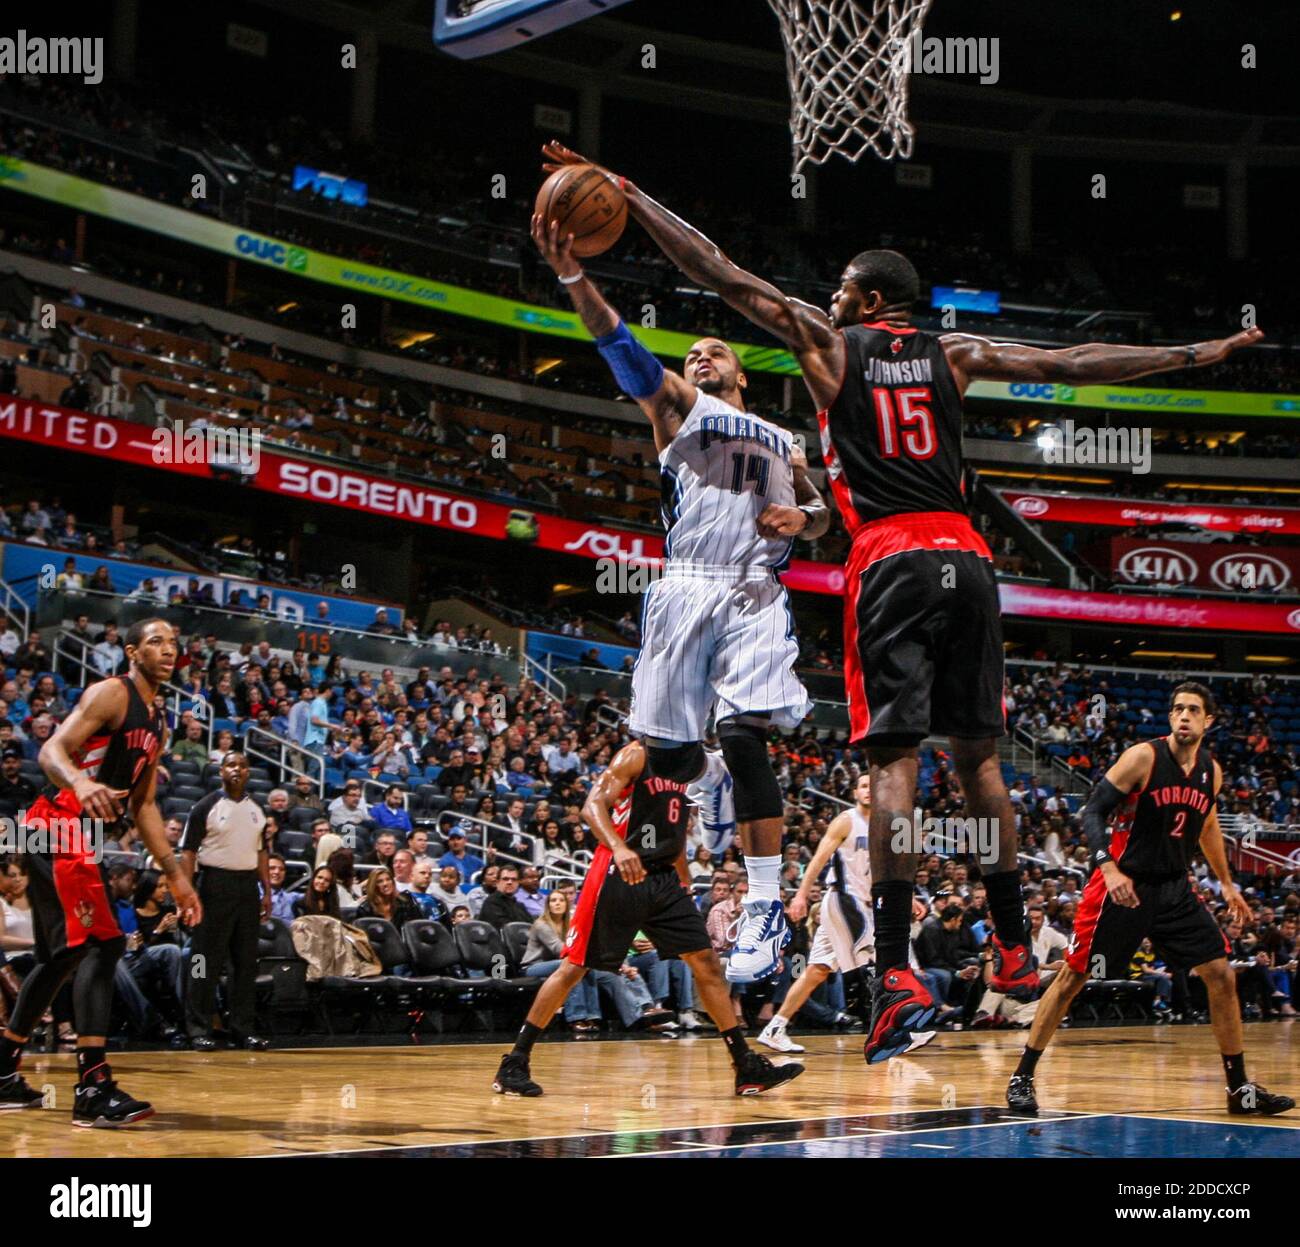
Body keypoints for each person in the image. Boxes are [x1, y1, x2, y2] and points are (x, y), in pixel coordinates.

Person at [546, 139, 1266, 1063]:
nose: (835, 296)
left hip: (889, 557)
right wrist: (1199, 350)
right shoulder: (953, 352)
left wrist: (636, 196)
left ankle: (891, 975)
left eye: (845, 287)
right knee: (981, 762)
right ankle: (1011, 945)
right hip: (969, 559)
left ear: (868, 298)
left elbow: (721, 273)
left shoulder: (826, 343)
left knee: (893, 767)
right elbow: (1080, 357)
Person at [531, 195, 829, 987]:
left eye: (713, 351)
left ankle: (765, 906)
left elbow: (825, 516)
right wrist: (573, 275)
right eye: (691, 353)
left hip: (752, 588)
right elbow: (622, 349)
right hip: (684, 587)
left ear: (740, 370)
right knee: (671, 753)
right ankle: (720, 790)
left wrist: (802, 515)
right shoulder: (678, 411)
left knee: (740, 733)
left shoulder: (780, 436)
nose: (699, 358)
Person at [1006, 683, 1293, 1117]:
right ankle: (1023, 1075)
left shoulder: (1209, 771)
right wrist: (1106, 866)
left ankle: (1238, 1089)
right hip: (1123, 885)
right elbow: (1092, 810)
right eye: (1177, 708)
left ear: (1207, 721)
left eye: (1192, 710)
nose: (1182, 716)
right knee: (1073, 977)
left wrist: (1227, 883)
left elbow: (1208, 827)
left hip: (1174, 888)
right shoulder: (1143, 757)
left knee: (1220, 973)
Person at [493, 738, 803, 1098]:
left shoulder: (689, 762)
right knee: (574, 968)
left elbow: (676, 826)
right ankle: (515, 1061)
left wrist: (684, 879)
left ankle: (745, 1064)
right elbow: (593, 806)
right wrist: (619, 847)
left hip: (664, 878)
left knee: (706, 962)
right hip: (619, 872)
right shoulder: (636, 753)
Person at [0, 617, 202, 1124]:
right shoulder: (111, 694)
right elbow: (51, 750)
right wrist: (80, 783)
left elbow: (146, 804)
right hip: (54, 824)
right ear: (132, 651)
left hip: (75, 835)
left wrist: (177, 876)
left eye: (173, 641)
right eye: (156, 641)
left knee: (60, 958)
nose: (168, 648)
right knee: (102, 943)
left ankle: (2, 1072)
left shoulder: (158, 720)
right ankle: (92, 1088)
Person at [758, 774, 933, 1055]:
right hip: (843, 901)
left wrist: (909, 896)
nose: (868, 791)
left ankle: (775, 1028)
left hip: (864, 905)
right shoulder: (846, 821)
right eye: (863, 786)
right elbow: (817, 860)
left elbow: (886, 871)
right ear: (855, 792)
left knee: (817, 970)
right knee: (882, 963)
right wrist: (801, 895)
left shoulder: (886, 826)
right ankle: (895, 1032)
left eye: (872, 787)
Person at [179, 750, 271, 1051]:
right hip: (212, 884)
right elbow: (189, 852)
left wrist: (266, 890)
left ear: (248, 773)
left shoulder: (257, 810)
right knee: (204, 960)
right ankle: (198, 1028)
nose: (237, 770)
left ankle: (242, 1028)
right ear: (221, 771)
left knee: (244, 963)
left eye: (243, 766)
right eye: (232, 764)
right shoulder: (206, 805)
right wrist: (186, 891)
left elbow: (261, 853)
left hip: (246, 887)